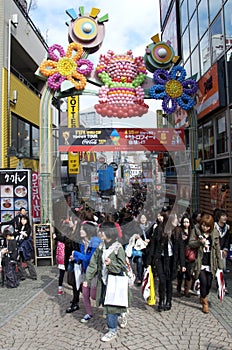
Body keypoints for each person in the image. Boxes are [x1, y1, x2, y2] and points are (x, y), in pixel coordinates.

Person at [84, 221, 130, 342]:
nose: (100, 233)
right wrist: (87, 279)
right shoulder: (100, 246)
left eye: (102, 231)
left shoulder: (118, 248)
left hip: (115, 282)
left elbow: (122, 266)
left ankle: (112, 330)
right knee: (106, 303)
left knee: (111, 307)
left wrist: (111, 264)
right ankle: (122, 313)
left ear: (108, 232)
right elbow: (93, 263)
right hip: (103, 281)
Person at [148, 211, 186, 312]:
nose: (177, 221)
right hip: (160, 258)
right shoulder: (159, 229)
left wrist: (182, 264)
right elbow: (153, 245)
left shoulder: (178, 231)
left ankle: (169, 301)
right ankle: (161, 300)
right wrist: (149, 261)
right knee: (162, 280)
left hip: (172, 259)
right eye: (175, 219)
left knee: (169, 281)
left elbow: (181, 248)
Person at [188, 213, 223, 313]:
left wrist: (220, 265)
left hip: (211, 263)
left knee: (208, 284)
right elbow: (190, 243)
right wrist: (200, 242)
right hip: (200, 262)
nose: (205, 228)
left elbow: (217, 249)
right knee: (203, 282)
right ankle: (205, 303)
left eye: (207, 226)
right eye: (203, 225)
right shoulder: (196, 230)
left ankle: (204, 296)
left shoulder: (215, 234)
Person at [71, 221, 101, 323]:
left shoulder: (96, 242)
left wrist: (75, 253)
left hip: (94, 272)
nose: (80, 231)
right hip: (85, 272)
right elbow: (82, 258)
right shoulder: (82, 242)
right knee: (84, 293)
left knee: (93, 295)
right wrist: (75, 258)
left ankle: (110, 307)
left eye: (82, 229)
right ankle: (89, 313)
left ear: (88, 230)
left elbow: (89, 258)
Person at [176, 214, 194, 297]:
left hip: (190, 255)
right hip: (181, 254)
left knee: (188, 273)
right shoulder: (180, 231)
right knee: (180, 272)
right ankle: (179, 288)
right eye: (184, 222)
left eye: (187, 222)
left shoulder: (192, 231)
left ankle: (186, 290)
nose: (185, 224)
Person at [214, 209, 230, 294]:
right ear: (218, 217)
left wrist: (225, 249)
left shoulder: (227, 227)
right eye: (223, 216)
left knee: (222, 268)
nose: (225, 218)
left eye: (226, 216)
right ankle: (218, 285)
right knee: (216, 268)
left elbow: (227, 240)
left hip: (222, 251)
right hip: (214, 250)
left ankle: (224, 286)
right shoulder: (214, 226)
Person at [17, 215, 37, 280]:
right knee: (18, 261)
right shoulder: (19, 226)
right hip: (19, 245)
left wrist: (21, 232)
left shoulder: (28, 227)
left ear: (27, 220)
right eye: (22, 219)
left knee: (27, 260)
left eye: (24, 219)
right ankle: (22, 275)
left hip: (25, 246)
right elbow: (15, 233)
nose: (22, 221)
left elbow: (27, 235)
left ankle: (33, 275)